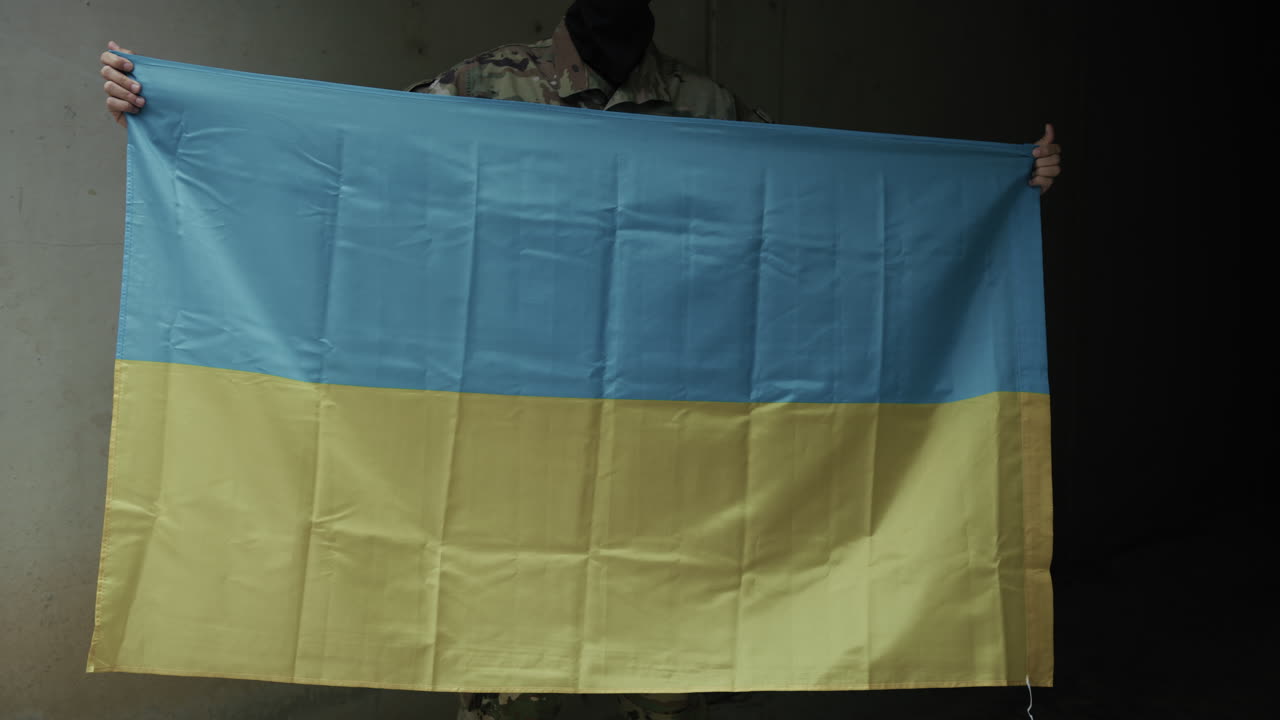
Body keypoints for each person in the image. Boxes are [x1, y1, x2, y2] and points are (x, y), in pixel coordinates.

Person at [96, 3, 1062, 719]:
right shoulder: (483, 88)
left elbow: (827, 211)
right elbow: (351, 168)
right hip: (508, 431)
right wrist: (170, 112)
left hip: (671, 433)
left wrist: (998, 188)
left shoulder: (708, 108)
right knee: (505, 654)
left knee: (667, 661)